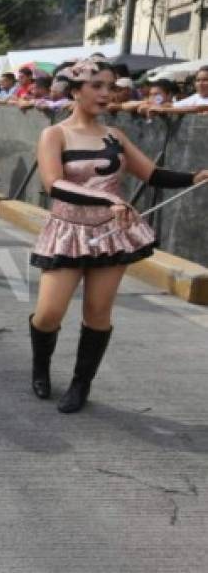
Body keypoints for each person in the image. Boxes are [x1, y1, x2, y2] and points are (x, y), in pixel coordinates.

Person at [28, 58, 208, 414]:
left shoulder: (115, 136)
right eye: (97, 86)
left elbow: (151, 174)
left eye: (110, 86)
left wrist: (194, 178)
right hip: (68, 233)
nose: (106, 93)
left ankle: (81, 385)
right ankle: (40, 367)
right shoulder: (55, 134)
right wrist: (107, 198)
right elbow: (54, 184)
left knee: (98, 312)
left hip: (111, 234)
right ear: (75, 90)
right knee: (48, 313)